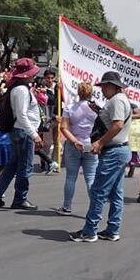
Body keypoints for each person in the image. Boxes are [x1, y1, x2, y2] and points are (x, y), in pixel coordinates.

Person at [70, 72, 133, 243]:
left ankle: (90, 230)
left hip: (113, 151)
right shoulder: (119, 100)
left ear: (114, 86)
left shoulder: (117, 100)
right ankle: (112, 229)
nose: (103, 89)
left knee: (98, 191)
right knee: (116, 193)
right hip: (120, 149)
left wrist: (100, 142)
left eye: (105, 86)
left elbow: (118, 124)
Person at [0, 58, 42, 210]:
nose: (34, 76)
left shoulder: (17, 88)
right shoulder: (22, 90)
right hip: (24, 131)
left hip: (19, 130)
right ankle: (20, 198)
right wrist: (34, 134)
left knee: (12, 165)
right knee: (25, 167)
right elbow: (22, 115)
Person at [58, 82, 99, 215]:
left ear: (78, 92)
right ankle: (95, 209)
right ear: (91, 93)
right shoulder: (97, 109)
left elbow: (63, 127)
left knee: (71, 177)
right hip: (90, 144)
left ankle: (66, 206)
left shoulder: (70, 108)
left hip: (74, 143)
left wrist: (74, 141)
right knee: (91, 178)